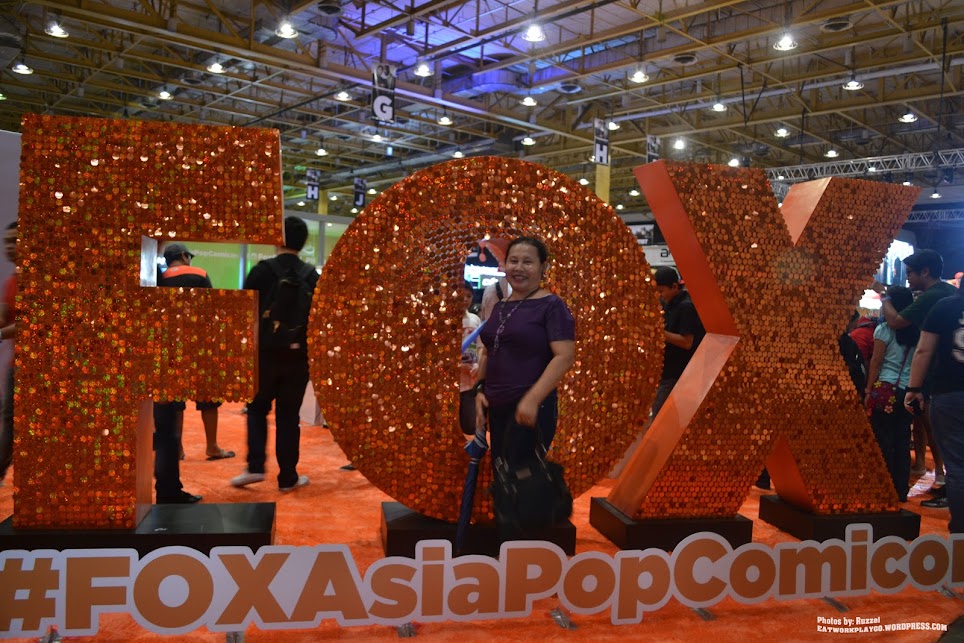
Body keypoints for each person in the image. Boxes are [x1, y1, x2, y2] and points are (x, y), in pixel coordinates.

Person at [231, 216, 318, 492]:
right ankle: (288, 477)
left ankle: (255, 467)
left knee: (257, 408)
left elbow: (243, 311)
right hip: (298, 357)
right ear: (303, 243)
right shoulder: (311, 276)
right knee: (289, 416)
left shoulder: (261, 271)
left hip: (264, 354)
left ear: (278, 238)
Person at [474, 236, 575, 472]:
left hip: (529, 409)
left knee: (522, 482)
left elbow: (564, 356)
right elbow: (489, 351)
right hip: (497, 407)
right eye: (513, 261)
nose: (518, 268)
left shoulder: (551, 305)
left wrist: (532, 399)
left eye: (527, 262)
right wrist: (480, 389)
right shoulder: (501, 305)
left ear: (543, 267)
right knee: (502, 476)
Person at [873, 249, 957, 493]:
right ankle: (928, 469)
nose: (907, 278)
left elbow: (897, 321)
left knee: (933, 427)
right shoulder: (948, 292)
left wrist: (884, 296)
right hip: (943, 372)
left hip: (938, 374)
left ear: (925, 272)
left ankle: (943, 479)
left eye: (910, 273)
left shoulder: (932, 296)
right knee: (921, 425)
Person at [158, 243, 234, 462]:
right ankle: (212, 447)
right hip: (200, 344)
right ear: (183, 255)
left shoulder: (161, 278)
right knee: (208, 398)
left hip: (171, 345)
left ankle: (178, 449)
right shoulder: (200, 274)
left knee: (175, 400)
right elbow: (211, 310)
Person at [904, 279, 964, 522]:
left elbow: (924, 350)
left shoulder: (944, 307)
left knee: (958, 466)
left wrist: (914, 388)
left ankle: (960, 532)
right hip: (948, 395)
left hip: (950, 393)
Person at [865, 286, 918, 502]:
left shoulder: (884, 330)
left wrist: (868, 389)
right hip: (908, 391)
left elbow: (876, 362)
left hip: (885, 389)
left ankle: (883, 488)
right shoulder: (917, 331)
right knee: (902, 441)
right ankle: (900, 489)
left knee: (883, 440)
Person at [651, 266, 705, 417]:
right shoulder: (667, 303)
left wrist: (659, 332)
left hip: (677, 372)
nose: (659, 295)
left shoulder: (686, 307)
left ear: (674, 287)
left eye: (661, 291)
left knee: (660, 414)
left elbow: (687, 342)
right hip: (667, 370)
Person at [0, 222, 17, 487]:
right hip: (17, 365)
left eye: (15, 241)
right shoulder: (11, 281)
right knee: (9, 422)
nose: (10, 247)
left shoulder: (39, 281)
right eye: (7, 241)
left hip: (37, 368)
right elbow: (5, 316)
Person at [459, 282, 482, 440]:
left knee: (469, 425)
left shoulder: (474, 320)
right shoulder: (444, 320)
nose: (465, 299)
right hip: (450, 381)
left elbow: (480, 346)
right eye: (462, 295)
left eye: (469, 296)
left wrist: (478, 364)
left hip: (469, 382)